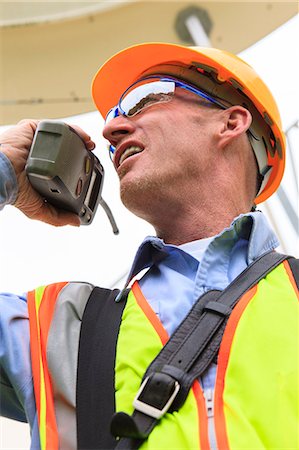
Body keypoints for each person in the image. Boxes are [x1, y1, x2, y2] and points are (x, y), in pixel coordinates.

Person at [0, 42, 298, 450]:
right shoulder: (56, 326)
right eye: (112, 119)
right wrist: (3, 170)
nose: (110, 130)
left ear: (230, 123)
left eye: (143, 100)